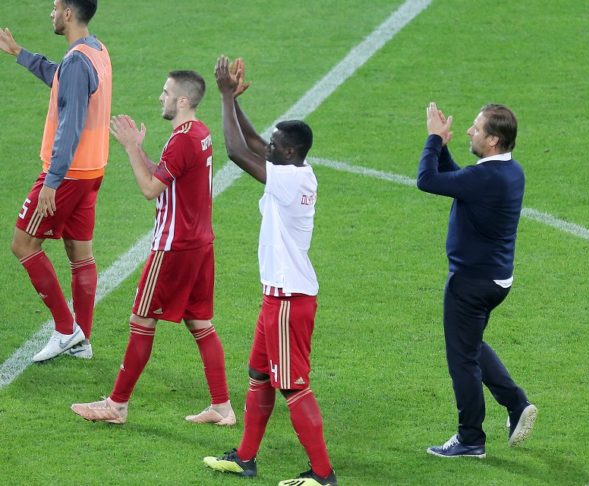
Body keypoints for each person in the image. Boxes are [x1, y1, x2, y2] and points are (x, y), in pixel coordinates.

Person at [70, 70, 235, 427]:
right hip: (199, 244)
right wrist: (140, 150)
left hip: (174, 246)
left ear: (182, 101)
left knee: (141, 320)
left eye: (166, 92)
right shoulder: (199, 133)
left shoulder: (183, 141)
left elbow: (150, 189)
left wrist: (132, 148)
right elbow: (165, 175)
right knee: (200, 322)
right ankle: (222, 407)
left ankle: (117, 405)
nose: (161, 97)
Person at [203, 56, 337, 486]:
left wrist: (225, 97)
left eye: (276, 145)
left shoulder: (290, 180)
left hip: (288, 301)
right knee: (259, 375)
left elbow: (236, 151)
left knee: (293, 386)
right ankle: (245, 458)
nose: (269, 147)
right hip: (276, 297)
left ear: (290, 152)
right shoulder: (294, 169)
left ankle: (322, 475)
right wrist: (236, 102)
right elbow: (256, 143)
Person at [418, 102, 537, 459]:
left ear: (494, 139)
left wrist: (433, 140)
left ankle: (470, 438)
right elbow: (460, 182)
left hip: (470, 283)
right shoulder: (510, 171)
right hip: (496, 279)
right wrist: (443, 147)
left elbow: (427, 180)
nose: (470, 131)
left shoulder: (484, 178)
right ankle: (516, 403)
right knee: (470, 346)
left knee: (462, 360)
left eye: (476, 128)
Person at [0, 0, 111, 362]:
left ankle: (66, 330)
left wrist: (52, 180)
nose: (50, 13)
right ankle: (83, 340)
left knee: (23, 244)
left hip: (67, 175)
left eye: (54, 6)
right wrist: (20, 53)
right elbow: (60, 79)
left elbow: (71, 123)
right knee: (80, 253)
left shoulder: (78, 61)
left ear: (68, 13)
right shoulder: (95, 50)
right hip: (91, 170)